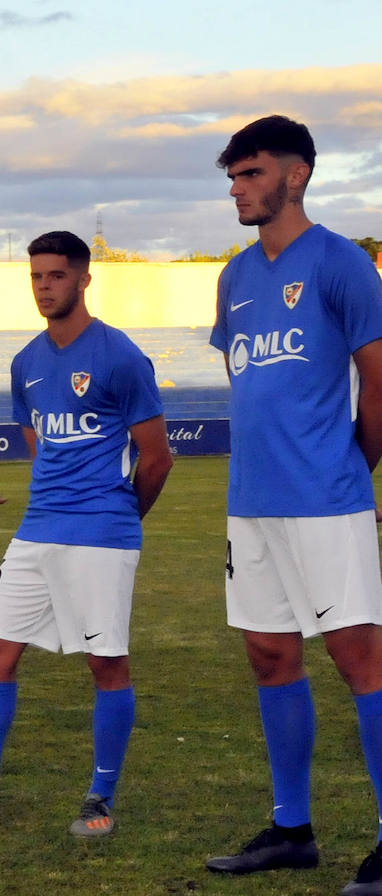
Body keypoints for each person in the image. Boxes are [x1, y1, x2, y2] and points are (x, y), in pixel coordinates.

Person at [0, 231, 172, 837]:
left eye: (56, 275)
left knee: (106, 664)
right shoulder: (26, 362)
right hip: (36, 531)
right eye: (36, 277)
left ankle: (99, 800)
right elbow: (37, 445)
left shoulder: (121, 356)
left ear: (82, 279)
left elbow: (156, 458)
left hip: (101, 534)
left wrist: (120, 519)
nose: (45, 286)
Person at [200, 116, 382, 895]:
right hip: (253, 504)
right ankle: (292, 829)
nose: (238, 189)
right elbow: (254, 389)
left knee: (360, 661)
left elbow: (380, 382)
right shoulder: (236, 277)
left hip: (326, 502)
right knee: (270, 656)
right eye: (233, 177)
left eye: (251, 174)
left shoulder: (344, 264)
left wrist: (348, 468)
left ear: (296, 175)